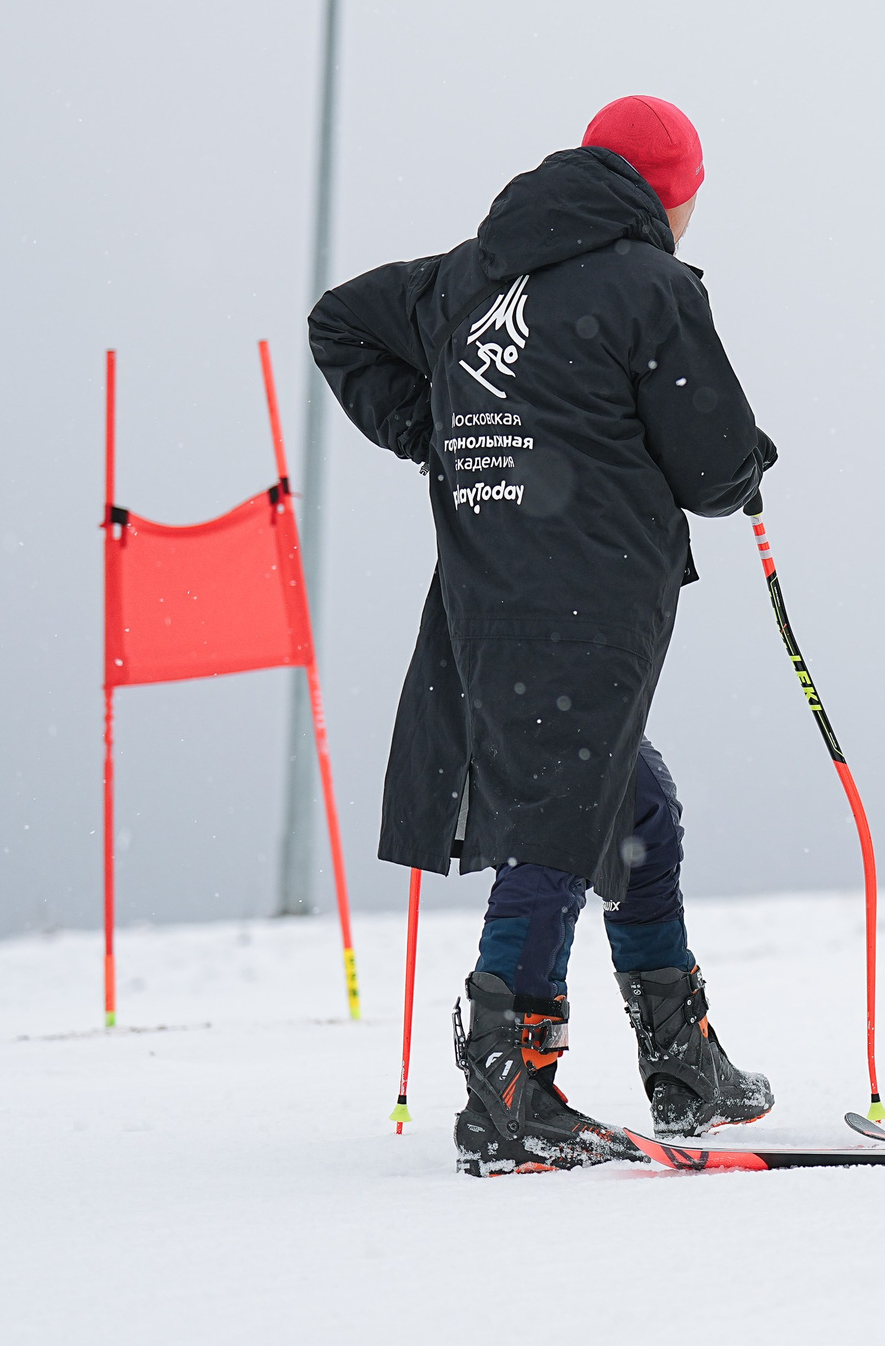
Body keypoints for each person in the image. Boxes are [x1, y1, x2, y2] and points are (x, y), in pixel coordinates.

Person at [311, 95, 773, 1175]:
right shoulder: (650, 287)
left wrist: (433, 431)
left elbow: (342, 318)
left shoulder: (470, 273)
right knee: (559, 816)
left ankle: (679, 1055)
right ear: (673, 191)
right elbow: (712, 474)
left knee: (632, 806)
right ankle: (510, 1079)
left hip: (488, 589)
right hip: (591, 591)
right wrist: (747, 458)